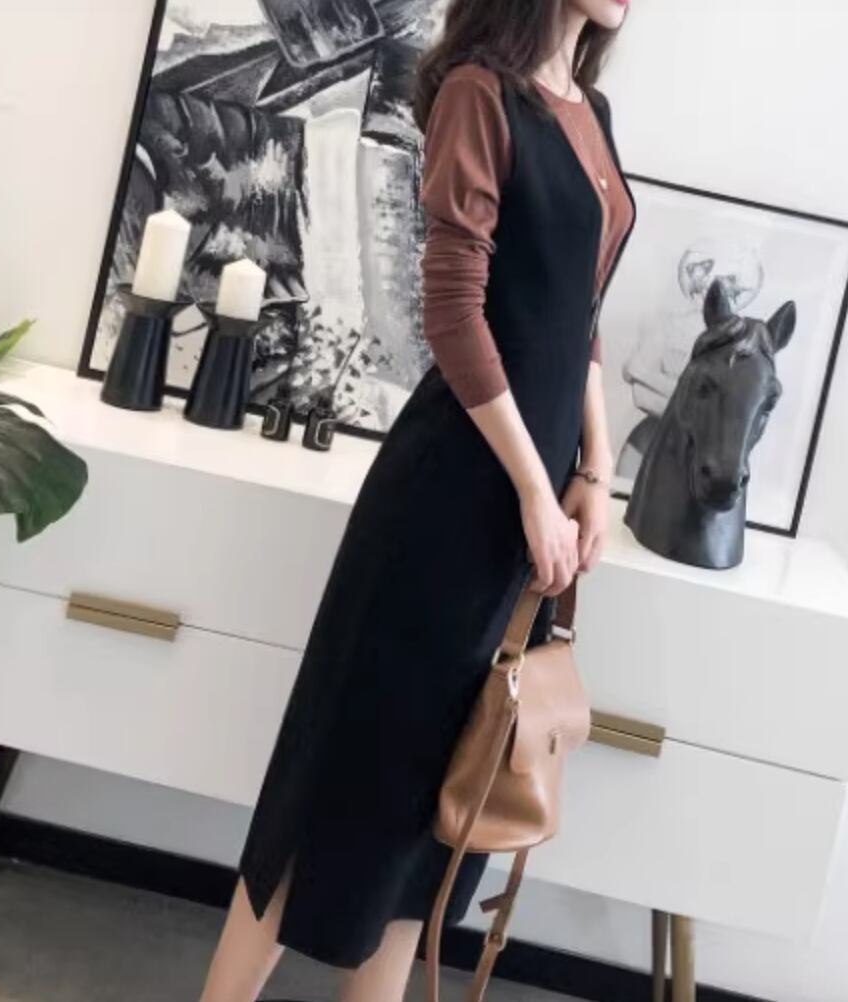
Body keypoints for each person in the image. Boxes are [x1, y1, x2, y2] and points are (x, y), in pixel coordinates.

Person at [198, 0, 635, 999]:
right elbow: (452, 310)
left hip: (527, 516)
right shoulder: (481, 94)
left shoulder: (591, 113)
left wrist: (593, 469)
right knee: (343, 778)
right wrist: (536, 486)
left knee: (443, 803)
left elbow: (580, 314)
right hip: (448, 501)